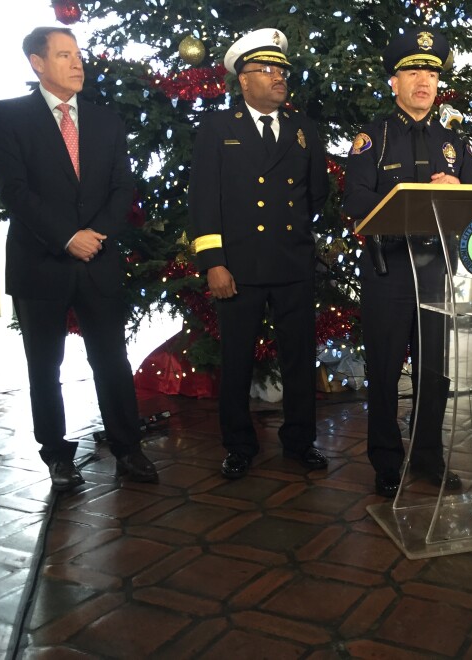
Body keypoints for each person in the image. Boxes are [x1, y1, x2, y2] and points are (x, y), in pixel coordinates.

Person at [0, 27, 158, 491]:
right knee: (45, 365)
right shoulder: (7, 116)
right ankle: (57, 457)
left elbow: (123, 186)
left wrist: (94, 235)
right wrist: (66, 237)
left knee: (112, 360)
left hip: (97, 258)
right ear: (37, 63)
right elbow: (13, 190)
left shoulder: (106, 120)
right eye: (64, 55)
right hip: (39, 263)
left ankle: (128, 448)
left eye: (78, 55)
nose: (77, 63)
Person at [343, 27, 472, 498]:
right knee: (383, 369)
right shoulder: (373, 138)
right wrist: (409, 199)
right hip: (390, 270)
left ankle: (427, 457)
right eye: (413, 71)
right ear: (393, 83)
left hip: (437, 270)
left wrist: (460, 193)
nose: (423, 80)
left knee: (433, 371)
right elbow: (355, 198)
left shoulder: (455, 143)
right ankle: (386, 460)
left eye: (431, 72)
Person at [189, 28, 329, 479]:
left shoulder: (304, 129)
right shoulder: (218, 127)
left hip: (291, 263)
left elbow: (317, 195)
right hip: (239, 267)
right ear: (243, 80)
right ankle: (238, 444)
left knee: (299, 358)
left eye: (282, 69)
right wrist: (214, 261)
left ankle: (300, 440)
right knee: (237, 359)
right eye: (266, 70)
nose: (278, 77)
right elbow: (203, 200)